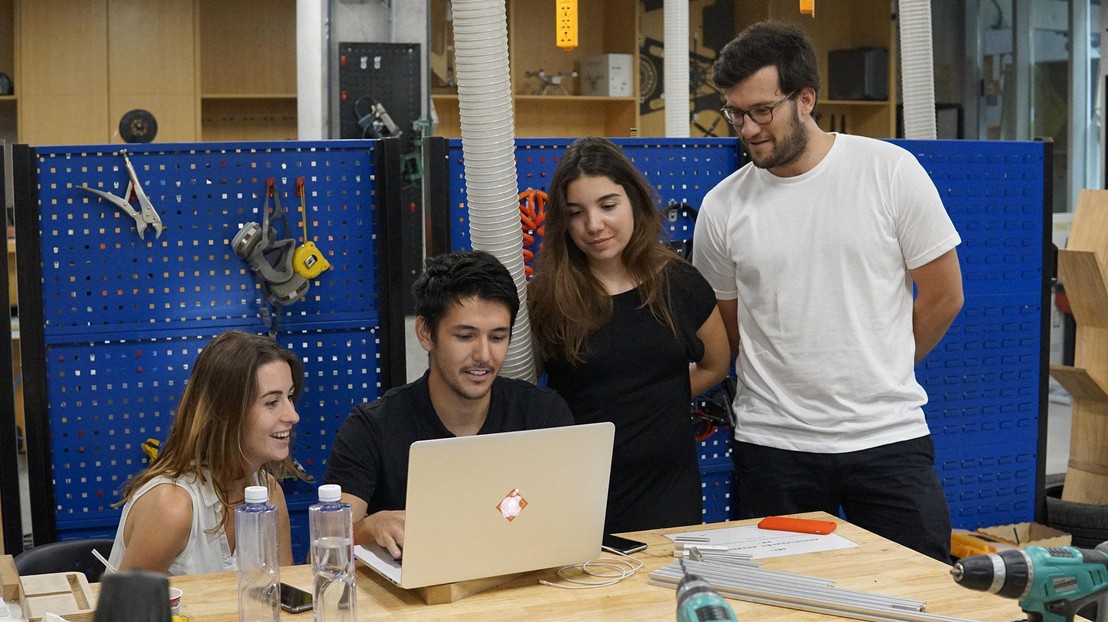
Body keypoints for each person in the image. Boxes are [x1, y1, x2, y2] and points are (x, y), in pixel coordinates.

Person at [693, 20, 964, 562]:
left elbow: (943, 295)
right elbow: (729, 327)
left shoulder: (889, 171)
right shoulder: (722, 207)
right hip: (775, 447)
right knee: (778, 603)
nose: (747, 129)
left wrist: (883, 367)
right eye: (735, 113)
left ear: (806, 99)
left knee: (923, 592)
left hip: (887, 439)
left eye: (762, 111)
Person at [528, 136, 730, 535]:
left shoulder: (680, 283)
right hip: (579, 492)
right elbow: (524, 392)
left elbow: (716, 364)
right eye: (576, 213)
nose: (594, 225)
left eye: (607, 206)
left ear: (634, 201)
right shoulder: (548, 296)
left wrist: (660, 399)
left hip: (668, 491)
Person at [324, 250, 574, 559]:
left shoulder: (544, 415)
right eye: (466, 336)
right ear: (426, 333)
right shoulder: (372, 428)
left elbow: (570, 524)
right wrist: (371, 527)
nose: (483, 355)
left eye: (497, 337)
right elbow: (326, 547)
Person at [108, 330, 304, 575]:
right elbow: (125, 611)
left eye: (290, 396)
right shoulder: (173, 506)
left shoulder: (270, 492)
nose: (293, 416)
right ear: (225, 413)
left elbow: (283, 598)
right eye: (272, 402)